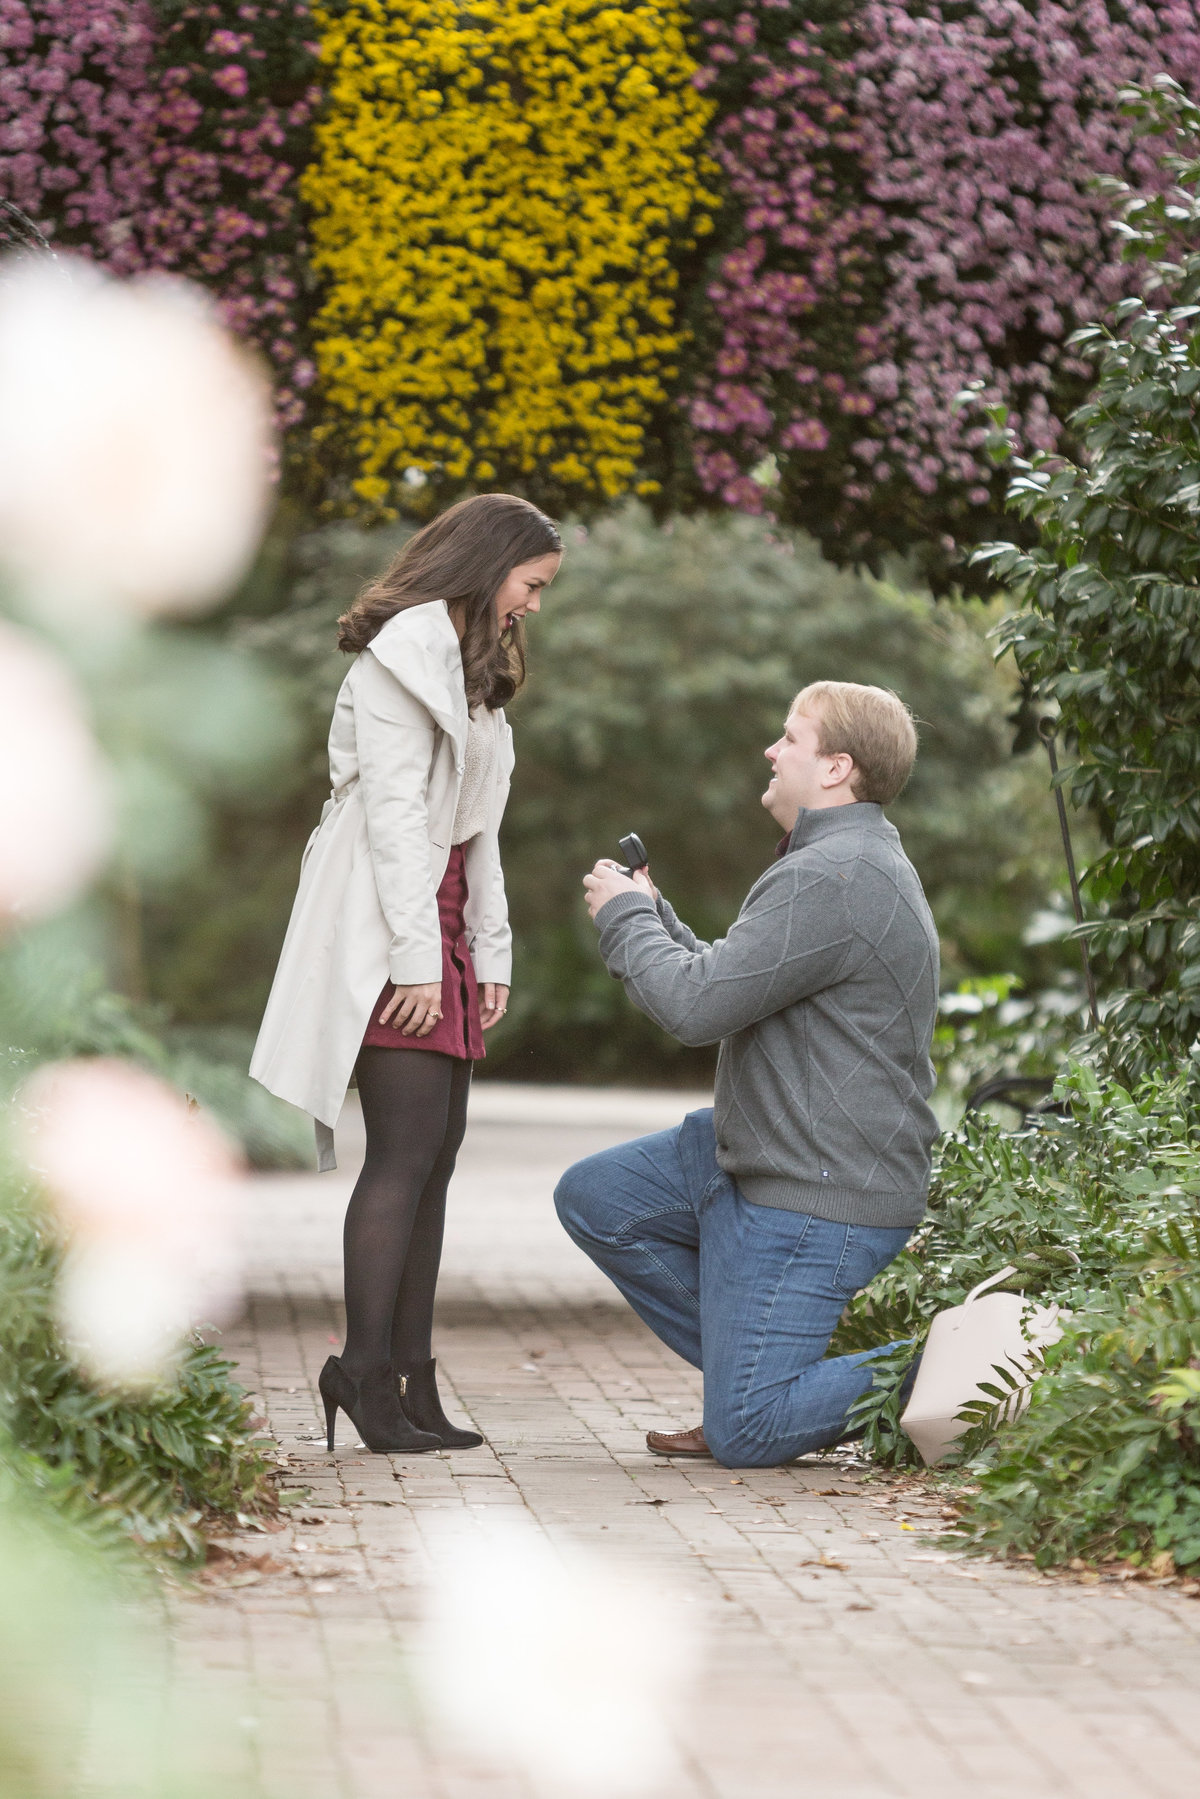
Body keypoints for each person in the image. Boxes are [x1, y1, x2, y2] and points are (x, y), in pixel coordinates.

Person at [554, 681, 939, 1467]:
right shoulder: (842, 862)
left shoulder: (833, 876)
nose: (772, 750)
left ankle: (948, 1368)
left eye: (790, 738)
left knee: (749, 1430)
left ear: (835, 768)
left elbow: (696, 1011)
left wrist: (623, 919)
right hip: (758, 1148)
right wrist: (657, 916)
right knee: (599, 1199)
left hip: (813, 1188)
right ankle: (753, 1372)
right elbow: (734, 983)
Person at [251, 494, 562, 1455]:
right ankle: (363, 1373)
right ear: (488, 563)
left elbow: (480, 831)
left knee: (438, 1157)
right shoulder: (398, 658)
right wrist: (417, 959)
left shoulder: (471, 672)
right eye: (532, 584)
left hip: (444, 927)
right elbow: (392, 818)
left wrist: (490, 951)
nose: (535, 606)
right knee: (401, 1153)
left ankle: (411, 1377)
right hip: (392, 926)